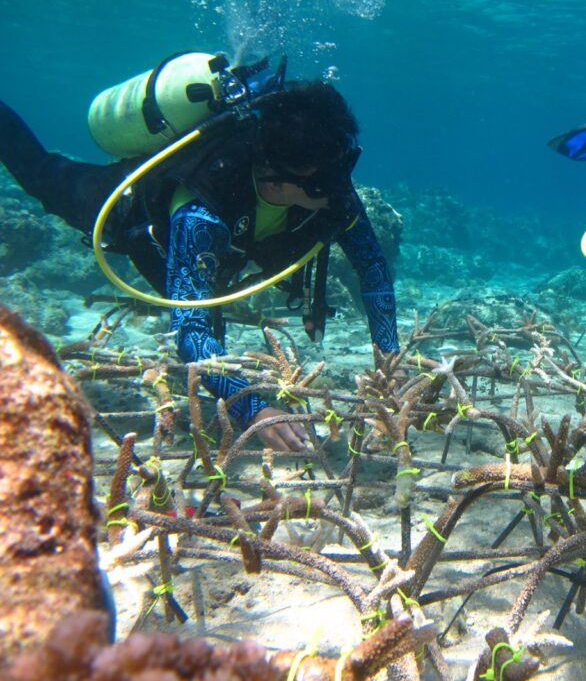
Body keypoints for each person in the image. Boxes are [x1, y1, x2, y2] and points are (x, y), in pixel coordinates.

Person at [0, 80, 399, 451]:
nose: (338, 193)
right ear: (275, 181)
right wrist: (253, 407)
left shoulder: (327, 184)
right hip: (132, 208)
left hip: (233, 245)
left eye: (341, 174)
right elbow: (189, 327)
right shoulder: (200, 215)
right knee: (41, 173)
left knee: (215, 314)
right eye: (321, 184)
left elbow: (374, 270)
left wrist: (389, 360)